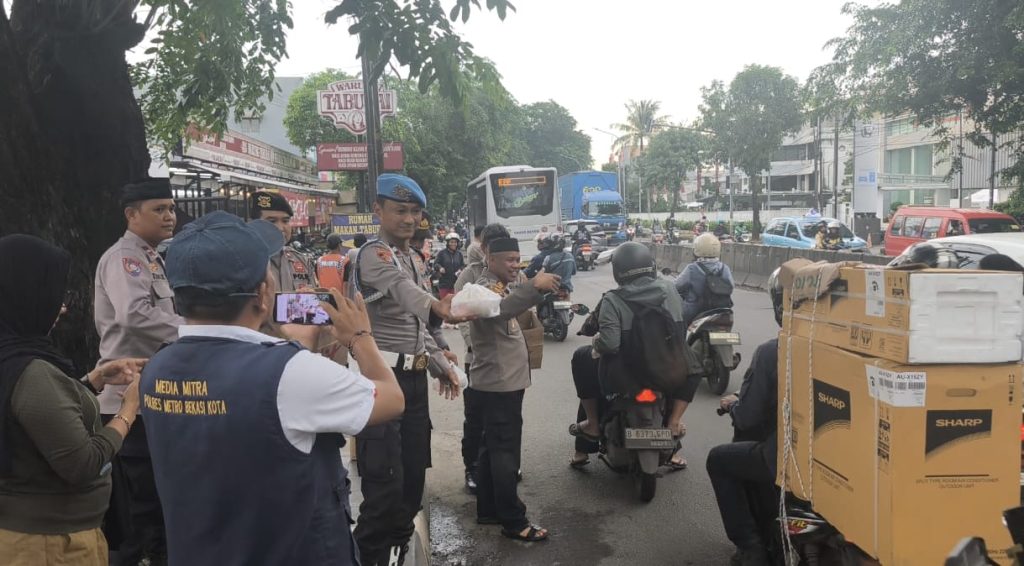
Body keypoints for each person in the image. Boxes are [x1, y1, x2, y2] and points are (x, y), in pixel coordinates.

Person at [139, 211, 405, 566]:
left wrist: (291, 345)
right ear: (264, 294)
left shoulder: (157, 368)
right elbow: (391, 399)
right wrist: (360, 337)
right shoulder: (290, 373)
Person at [0, 235, 146, 566]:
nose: (62, 307)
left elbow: (27, 414)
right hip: (48, 547)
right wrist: (128, 410)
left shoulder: (11, 357)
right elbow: (82, 464)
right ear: (25, 295)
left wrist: (91, 382)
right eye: (54, 293)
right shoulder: (31, 371)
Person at [351, 174, 463, 566]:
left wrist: (439, 364)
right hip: (382, 381)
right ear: (378, 211)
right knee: (384, 486)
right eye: (400, 210)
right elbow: (403, 291)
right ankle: (371, 556)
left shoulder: (414, 257)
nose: (409, 219)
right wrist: (437, 305)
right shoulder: (373, 255)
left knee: (413, 477)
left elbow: (418, 329)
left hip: (413, 380)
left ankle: (400, 549)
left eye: (415, 212)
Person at [94, 179, 184, 565]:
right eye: (159, 209)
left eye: (171, 208)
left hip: (153, 395)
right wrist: (191, 332)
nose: (169, 216)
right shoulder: (124, 258)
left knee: (159, 503)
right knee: (138, 511)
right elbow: (133, 315)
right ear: (131, 214)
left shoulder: (152, 256)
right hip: (127, 401)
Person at [568, 243, 700, 469]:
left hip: (623, 377)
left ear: (618, 272)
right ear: (651, 266)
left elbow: (609, 343)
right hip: (667, 372)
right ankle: (674, 423)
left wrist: (595, 343)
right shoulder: (669, 290)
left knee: (582, 357)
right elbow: (681, 330)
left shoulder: (612, 299)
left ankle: (590, 427)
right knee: (692, 366)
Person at [470, 237, 560, 542]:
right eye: (508, 259)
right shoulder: (484, 287)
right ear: (490, 258)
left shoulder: (499, 285)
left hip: (502, 380)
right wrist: (534, 285)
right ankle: (513, 520)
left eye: (518, 259)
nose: (515, 265)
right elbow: (503, 310)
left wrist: (536, 289)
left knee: (491, 447)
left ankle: (490, 509)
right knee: (505, 451)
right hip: (500, 382)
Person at [706, 270, 783, 566]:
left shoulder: (772, 351)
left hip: (787, 457)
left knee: (719, 459)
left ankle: (751, 547)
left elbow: (748, 418)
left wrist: (735, 405)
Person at [454, 223, 512, 494]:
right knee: (475, 416)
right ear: (484, 248)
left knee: (504, 419)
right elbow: (460, 316)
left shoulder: (512, 274)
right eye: (494, 246)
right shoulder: (470, 275)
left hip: (505, 362)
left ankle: (503, 467)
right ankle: (472, 466)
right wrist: (474, 346)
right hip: (477, 358)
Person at [251, 191, 317, 291]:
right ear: (255, 224)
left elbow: (316, 302)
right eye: (272, 221)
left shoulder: (302, 260)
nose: (280, 228)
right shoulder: (243, 263)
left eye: (285, 221)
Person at [674, 233, 735, 329]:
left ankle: (681, 343)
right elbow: (731, 286)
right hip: (721, 310)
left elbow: (677, 285)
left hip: (695, 310)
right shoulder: (724, 268)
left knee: (677, 323)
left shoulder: (692, 268)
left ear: (697, 249)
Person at [434, 233, 466, 300]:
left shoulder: (459, 254)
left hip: (456, 283)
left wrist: (460, 270)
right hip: (444, 284)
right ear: (448, 243)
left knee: (455, 304)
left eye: (455, 242)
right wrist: (440, 268)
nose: (453, 244)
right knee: (445, 305)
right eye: (451, 242)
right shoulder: (442, 253)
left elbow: (463, 265)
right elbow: (436, 264)